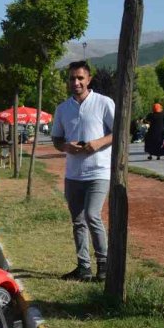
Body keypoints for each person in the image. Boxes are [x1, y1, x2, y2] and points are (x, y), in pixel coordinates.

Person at [50, 60, 115, 282]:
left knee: (92, 215)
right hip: (73, 174)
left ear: (89, 79)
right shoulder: (62, 109)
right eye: (72, 78)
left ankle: (104, 265)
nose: (76, 82)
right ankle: (83, 268)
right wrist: (66, 147)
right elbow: (57, 139)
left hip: (98, 172)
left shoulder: (104, 103)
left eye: (80, 78)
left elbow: (118, 132)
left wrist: (98, 143)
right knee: (77, 220)